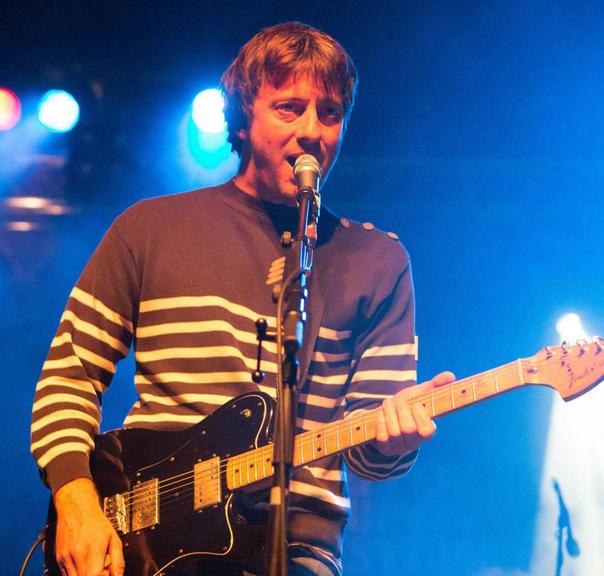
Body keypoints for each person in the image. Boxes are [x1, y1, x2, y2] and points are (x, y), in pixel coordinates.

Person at [30, 21, 454, 576]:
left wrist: (393, 439)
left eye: (329, 113)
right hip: (147, 544)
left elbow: (369, 453)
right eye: (288, 108)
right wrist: (76, 497)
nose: (312, 131)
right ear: (244, 115)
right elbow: (69, 374)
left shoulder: (377, 260)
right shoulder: (149, 229)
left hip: (301, 549)